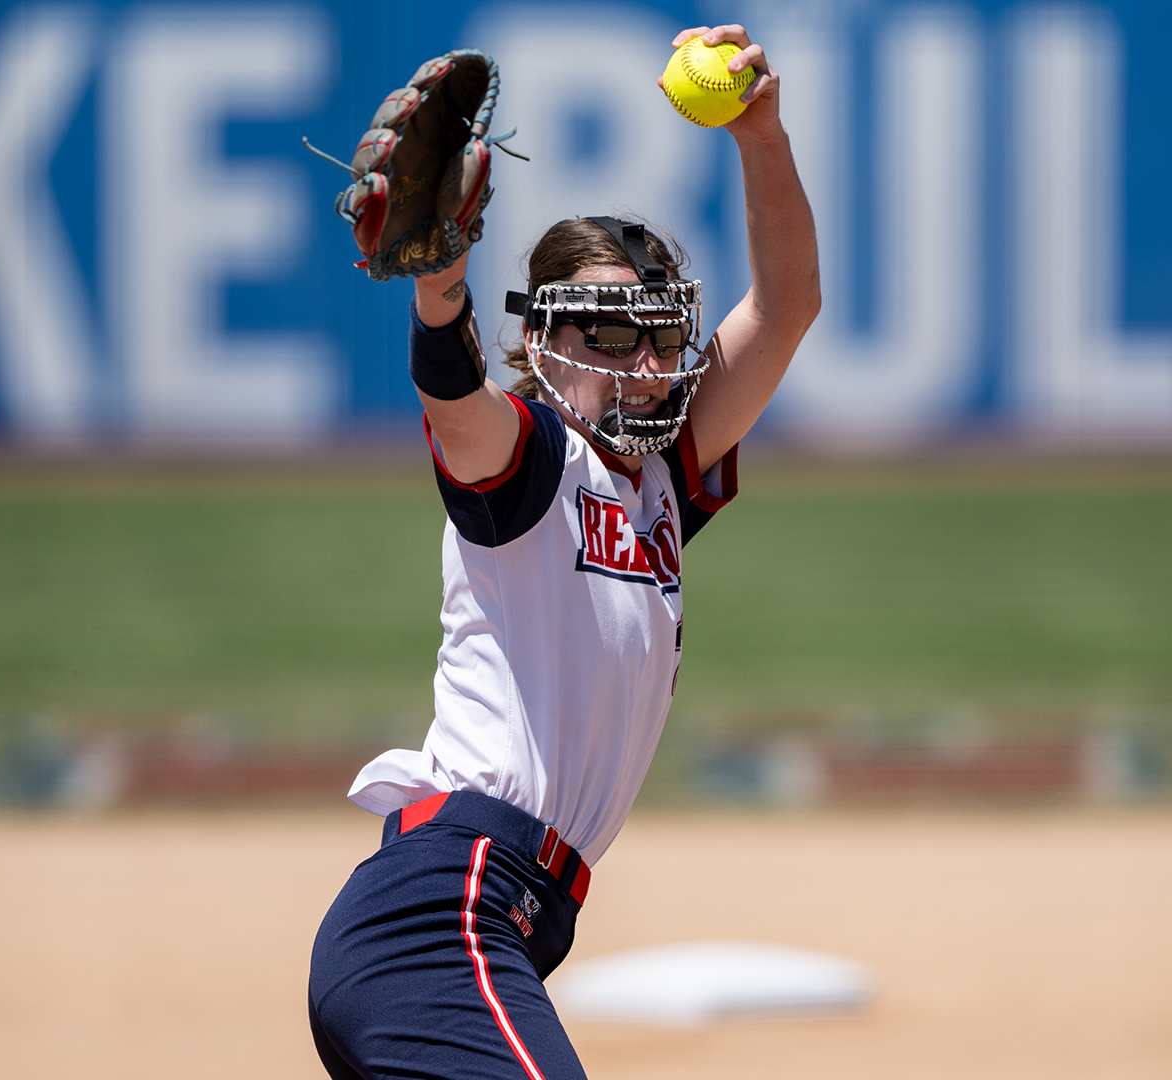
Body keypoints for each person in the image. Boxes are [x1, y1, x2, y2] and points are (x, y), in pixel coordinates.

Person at [308, 24, 820, 1080]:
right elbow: (455, 405)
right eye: (606, 335)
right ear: (543, 338)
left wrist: (760, 135)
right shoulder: (534, 460)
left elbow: (787, 305)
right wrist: (439, 285)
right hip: (440, 917)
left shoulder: (665, 480)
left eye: (660, 338)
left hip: (505, 923)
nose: (639, 365)